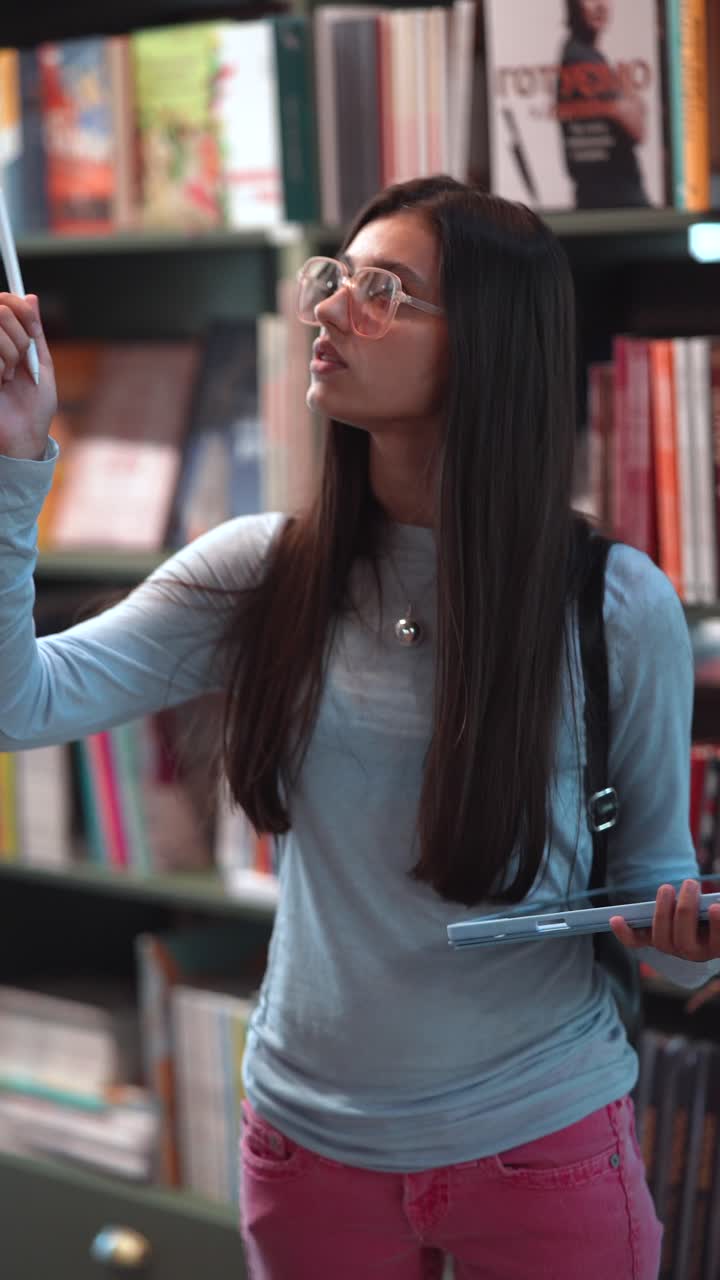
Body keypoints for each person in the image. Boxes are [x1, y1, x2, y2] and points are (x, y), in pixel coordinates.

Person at [0, 176, 718, 1280]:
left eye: (383, 291)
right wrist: (15, 465)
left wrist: (685, 943)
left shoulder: (615, 605)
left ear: (488, 347)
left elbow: (656, 908)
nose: (330, 308)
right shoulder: (262, 570)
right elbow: (21, 701)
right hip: (308, 1147)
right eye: (334, 277)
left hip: (540, 1142)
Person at [557, 0, 651, 208]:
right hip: (614, 203)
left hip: (611, 199)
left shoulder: (588, 55)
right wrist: (628, 94)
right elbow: (637, 127)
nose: (601, 5)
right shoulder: (580, 58)